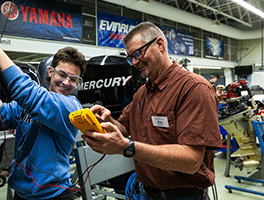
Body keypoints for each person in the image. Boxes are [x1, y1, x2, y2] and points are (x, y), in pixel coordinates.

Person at [81, 22, 222, 200]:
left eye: (138, 53)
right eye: (130, 57)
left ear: (160, 44)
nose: (134, 62)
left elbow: (191, 161)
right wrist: (108, 121)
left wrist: (127, 148)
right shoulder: (142, 94)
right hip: (146, 193)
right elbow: (124, 128)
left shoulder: (193, 88)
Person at [0, 30, 87, 200]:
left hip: (54, 194)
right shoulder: (26, 105)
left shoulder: (72, 108)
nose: (66, 82)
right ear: (50, 71)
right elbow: (2, 114)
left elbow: (28, 93)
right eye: (62, 74)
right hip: (22, 193)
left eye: (73, 79)